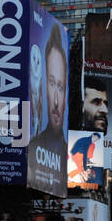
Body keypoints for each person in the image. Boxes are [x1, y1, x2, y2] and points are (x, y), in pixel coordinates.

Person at [26, 26, 67, 195]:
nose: (56, 101)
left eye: (60, 86)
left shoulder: (68, 160)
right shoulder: (32, 147)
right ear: (43, 84)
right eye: (51, 84)